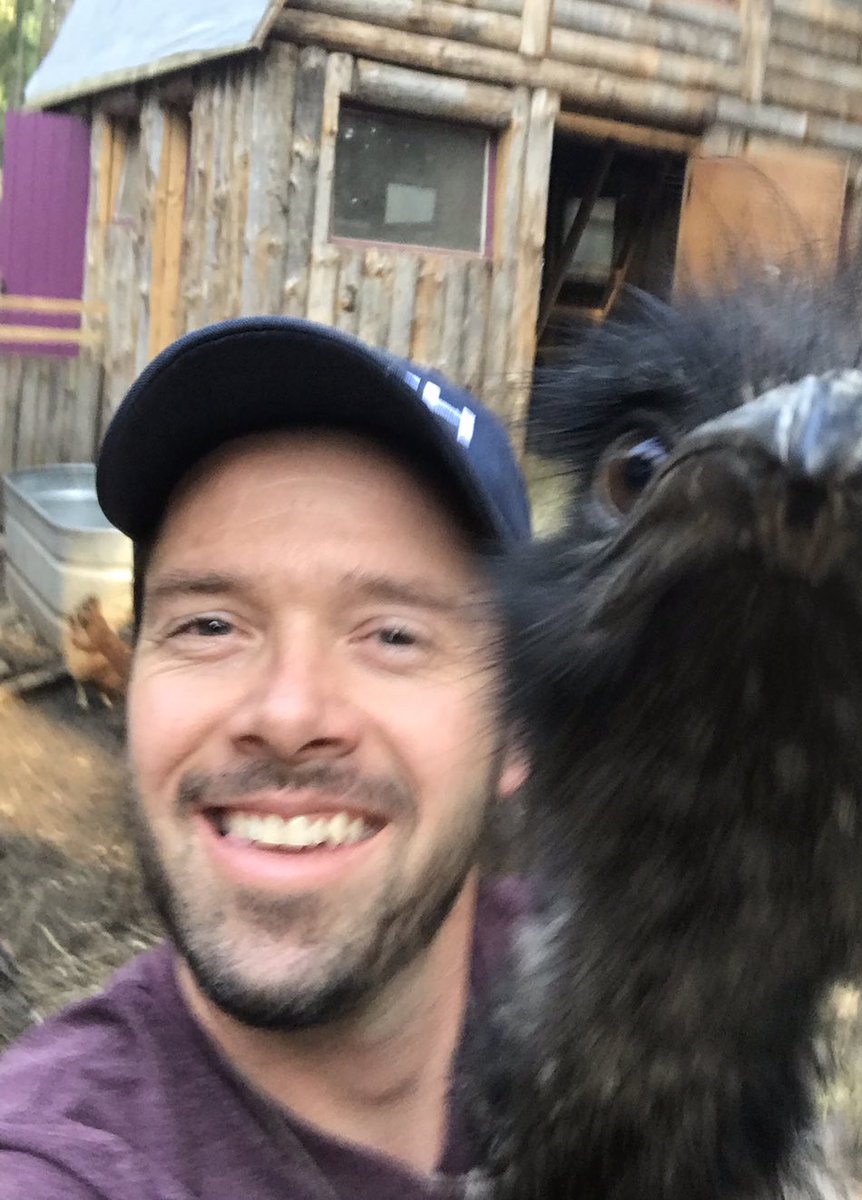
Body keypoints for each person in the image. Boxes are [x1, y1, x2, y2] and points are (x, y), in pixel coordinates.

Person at [0, 316, 533, 1198]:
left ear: (521, 724)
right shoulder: (64, 1163)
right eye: (210, 625)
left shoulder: (641, 1009)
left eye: (392, 634)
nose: (286, 714)